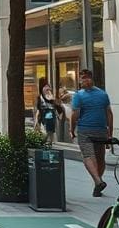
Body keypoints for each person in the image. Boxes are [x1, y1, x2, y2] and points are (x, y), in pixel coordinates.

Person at [69, 68, 113, 197]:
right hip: (101, 130)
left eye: (84, 78)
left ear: (89, 79)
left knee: (88, 156)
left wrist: (72, 130)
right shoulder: (103, 94)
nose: (83, 81)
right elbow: (109, 114)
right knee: (100, 158)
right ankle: (97, 183)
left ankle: (98, 181)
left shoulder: (79, 95)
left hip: (85, 130)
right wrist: (110, 132)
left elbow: (75, 114)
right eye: (82, 79)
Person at [33, 81, 63, 147]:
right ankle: (44, 144)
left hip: (51, 120)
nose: (47, 88)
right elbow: (38, 110)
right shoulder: (39, 98)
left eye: (48, 87)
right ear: (42, 88)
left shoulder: (52, 98)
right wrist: (36, 121)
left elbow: (59, 108)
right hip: (43, 119)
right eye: (45, 86)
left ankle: (49, 145)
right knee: (45, 134)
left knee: (50, 133)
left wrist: (53, 100)